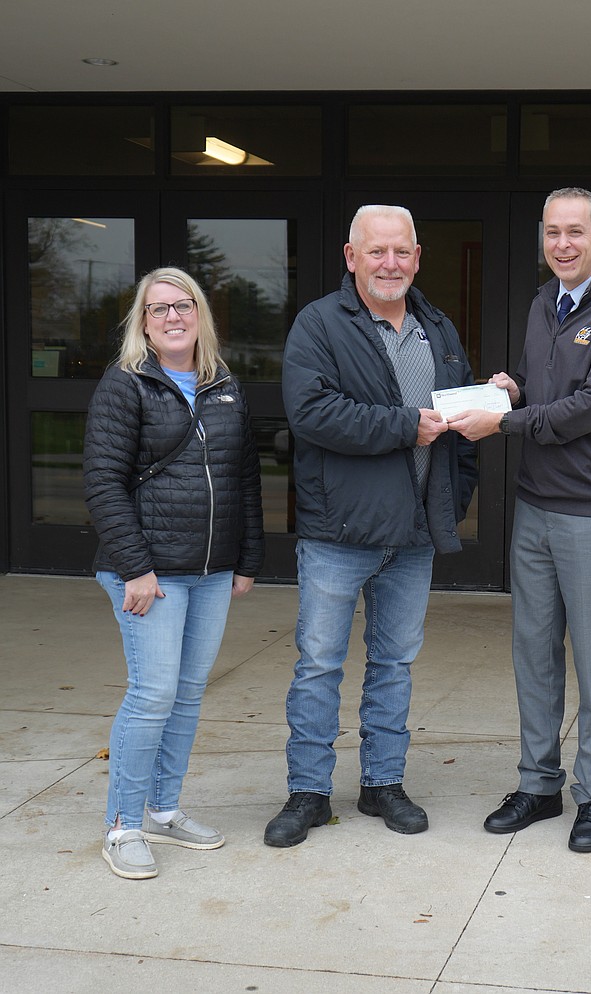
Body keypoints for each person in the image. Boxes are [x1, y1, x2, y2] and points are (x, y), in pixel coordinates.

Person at [263, 205, 477, 848]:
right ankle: (308, 792)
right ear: (352, 258)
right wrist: (403, 426)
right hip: (338, 532)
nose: (390, 264)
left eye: (402, 252)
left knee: (394, 665)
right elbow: (313, 413)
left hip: (413, 538)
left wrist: (452, 499)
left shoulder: (437, 329)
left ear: (417, 258)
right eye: (376, 252)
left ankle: (383, 783)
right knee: (319, 665)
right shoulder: (320, 324)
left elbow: (459, 427)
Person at [449, 187, 591, 853]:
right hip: (535, 509)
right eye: (552, 233)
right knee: (534, 658)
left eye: (575, 232)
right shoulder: (545, 303)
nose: (562, 244)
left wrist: (504, 420)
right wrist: (514, 389)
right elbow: (553, 395)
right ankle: (539, 785)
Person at [84, 267, 264, 879]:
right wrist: (135, 568)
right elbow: (103, 484)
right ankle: (122, 825)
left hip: (211, 572)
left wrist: (247, 559)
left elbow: (244, 478)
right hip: (150, 574)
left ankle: (163, 809)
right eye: (157, 309)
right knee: (153, 693)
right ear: (142, 321)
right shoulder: (125, 384)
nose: (171, 318)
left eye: (182, 306)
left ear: (200, 315)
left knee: (186, 695)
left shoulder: (224, 384)